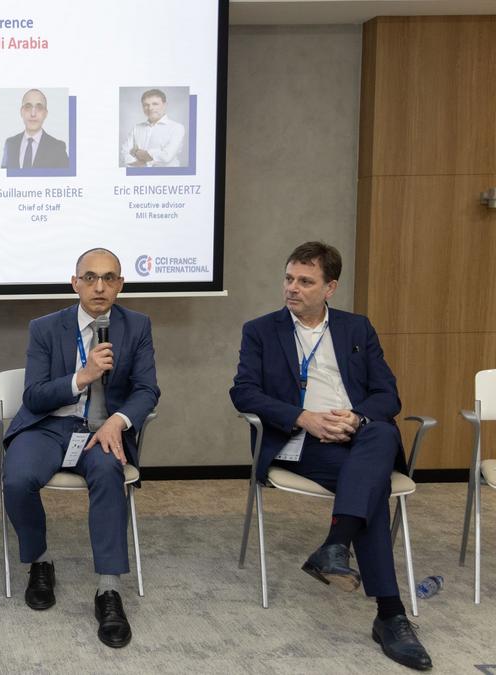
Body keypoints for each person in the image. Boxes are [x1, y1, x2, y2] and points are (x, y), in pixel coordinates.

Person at [229, 241, 432, 671]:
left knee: (379, 433)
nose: (292, 288)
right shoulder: (261, 330)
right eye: (289, 279)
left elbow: (387, 395)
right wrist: (304, 418)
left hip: (358, 436)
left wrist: (355, 418)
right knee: (371, 486)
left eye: (305, 281)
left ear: (330, 288)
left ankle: (336, 546)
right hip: (301, 441)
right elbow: (243, 392)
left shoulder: (357, 329)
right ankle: (390, 613)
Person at [2, 247, 159, 648]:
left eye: (108, 278)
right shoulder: (45, 328)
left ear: (120, 284)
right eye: (90, 277)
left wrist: (118, 421)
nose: (99, 286)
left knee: (108, 474)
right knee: (17, 479)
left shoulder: (137, 326)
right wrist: (82, 377)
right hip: (48, 426)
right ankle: (40, 563)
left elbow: (146, 390)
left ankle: (109, 590)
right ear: (75, 283)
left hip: (102, 430)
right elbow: (34, 396)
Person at [2, 89, 69, 169]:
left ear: (45, 113)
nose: (33, 114)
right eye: (28, 107)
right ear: (21, 112)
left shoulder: (58, 148)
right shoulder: (10, 144)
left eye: (39, 108)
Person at [120, 88, 185, 168]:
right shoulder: (136, 128)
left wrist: (136, 152)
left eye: (155, 104)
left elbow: (166, 157)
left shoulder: (177, 128)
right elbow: (124, 153)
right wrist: (145, 162)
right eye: (146, 105)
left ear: (165, 105)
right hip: (140, 174)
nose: (150, 108)